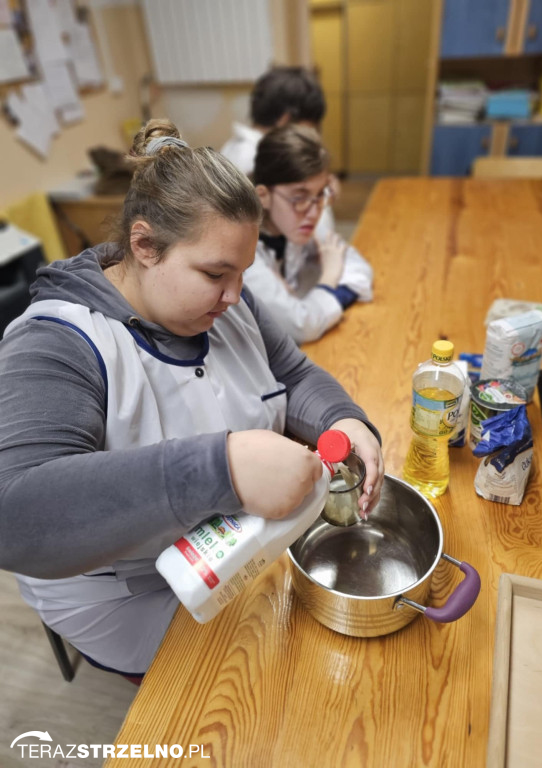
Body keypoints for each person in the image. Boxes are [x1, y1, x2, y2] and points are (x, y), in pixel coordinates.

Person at [0, 119, 384, 682]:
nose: (235, 296)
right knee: (250, 683)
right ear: (144, 245)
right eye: (215, 274)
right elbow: (16, 516)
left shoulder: (228, 300)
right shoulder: (57, 343)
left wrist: (342, 417)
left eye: (243, 273)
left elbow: (295, 373)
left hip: (224, 539)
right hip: (125, 587)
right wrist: (219, 468)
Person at [245, 124, 373, 344]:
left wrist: (321, 302)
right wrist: (329, 279)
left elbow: (360, 267)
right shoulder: (244, 252)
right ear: (263, 195)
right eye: (300, 198)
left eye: (320, 195)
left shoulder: (295, 221)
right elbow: (300, 326)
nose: (315, 213)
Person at [220, 65, 326, 177]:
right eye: (311, 128)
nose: (313, 135)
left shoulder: (240, 148)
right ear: (286, 119)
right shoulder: (253, 158)